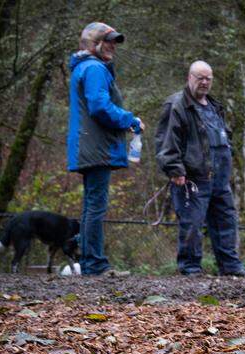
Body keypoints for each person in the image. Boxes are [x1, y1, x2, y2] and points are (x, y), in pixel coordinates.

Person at [156, 61, 245, 277]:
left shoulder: (214, 106)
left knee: (226, 220)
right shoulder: (176, 105)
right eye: (200, 77)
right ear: (189, 77)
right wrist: (175, 169)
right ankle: (191, 268)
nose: (204, 82)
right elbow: (167, 140)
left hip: (220, 177)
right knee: (192, 224)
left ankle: (230, 266)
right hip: (192, 178)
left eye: (208, 78)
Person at [67, 22, 143, 277]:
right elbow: (100, 106)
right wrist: (130, 120)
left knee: (91, 205)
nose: (112, 46)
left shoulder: (84, 67)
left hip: (88, 146)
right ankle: (95, 264)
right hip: (96, 146)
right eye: (108, 41)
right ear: (94, 43)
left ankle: (90, 263)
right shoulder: (95, 68)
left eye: (114, 42)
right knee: (96, 206)